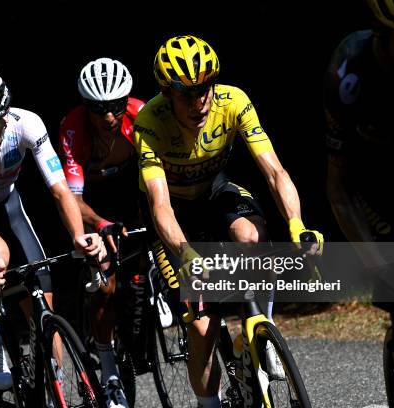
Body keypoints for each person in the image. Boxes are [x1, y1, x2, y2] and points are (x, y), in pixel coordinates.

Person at [134, 35, 323, 408]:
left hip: (215, 192)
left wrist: (297, 224)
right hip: (174, 215)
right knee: (203, 328)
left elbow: (274, 171)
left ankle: (261, 332)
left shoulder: (234, 101)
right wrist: (185, 253)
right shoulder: (149, 121)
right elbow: (159, 205)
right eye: (185, 93)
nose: (198, 101)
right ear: (165, 93)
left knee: (252, 237)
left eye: (204, 88)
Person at [0, 70, 106, 391]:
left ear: (6, 116)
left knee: (41, 292)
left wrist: (79, 236)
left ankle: (49, 385)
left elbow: (60, 190)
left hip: (7, 206)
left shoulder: (27, 124)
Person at [324, 1, 394, 406]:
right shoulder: (349, 72)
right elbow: (339, 188)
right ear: (384, 36)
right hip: (377, 195)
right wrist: (377, 263)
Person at [58, 57, 146, 408]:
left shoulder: (141, 116)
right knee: (105, 283)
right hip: (91, 204)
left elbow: (160, 180)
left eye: (115, 107)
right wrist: (98, 225)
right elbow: (71, 197)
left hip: (131, 191)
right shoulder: (74, 129)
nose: (108, 116)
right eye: (98, 108)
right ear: (86, 106)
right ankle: (109, 375)